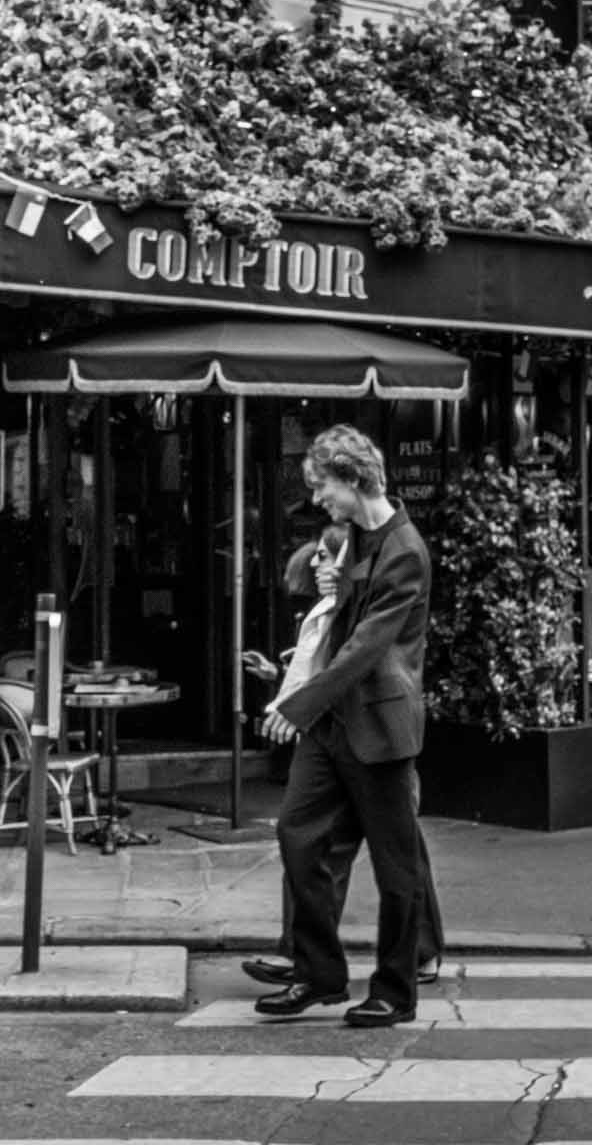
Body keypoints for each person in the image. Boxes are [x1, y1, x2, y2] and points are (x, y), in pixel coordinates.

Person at [254, 425, 432, 1028]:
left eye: (323, 487)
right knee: (297, 833)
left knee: (395, 866)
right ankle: (319, 973)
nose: (318, 500)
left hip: (379, 725)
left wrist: (294, 703)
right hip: (332, 723)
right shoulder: (353, 537)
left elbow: (365, 648)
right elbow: (337, 617)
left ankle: (395, 990)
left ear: (353, 479)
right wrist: (328, 584)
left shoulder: (405, 549)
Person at [240, 526, 444, 991]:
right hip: (333, 741)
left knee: (399, 856)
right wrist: (280, 681)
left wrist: (295, 706)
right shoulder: (323, 612)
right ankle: (304, 957)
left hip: (378, 740)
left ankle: (419, 954)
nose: (316, 563)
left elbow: (358, 665)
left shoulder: (368, 600)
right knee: (311, 845)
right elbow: (316, 673)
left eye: (326, 557)